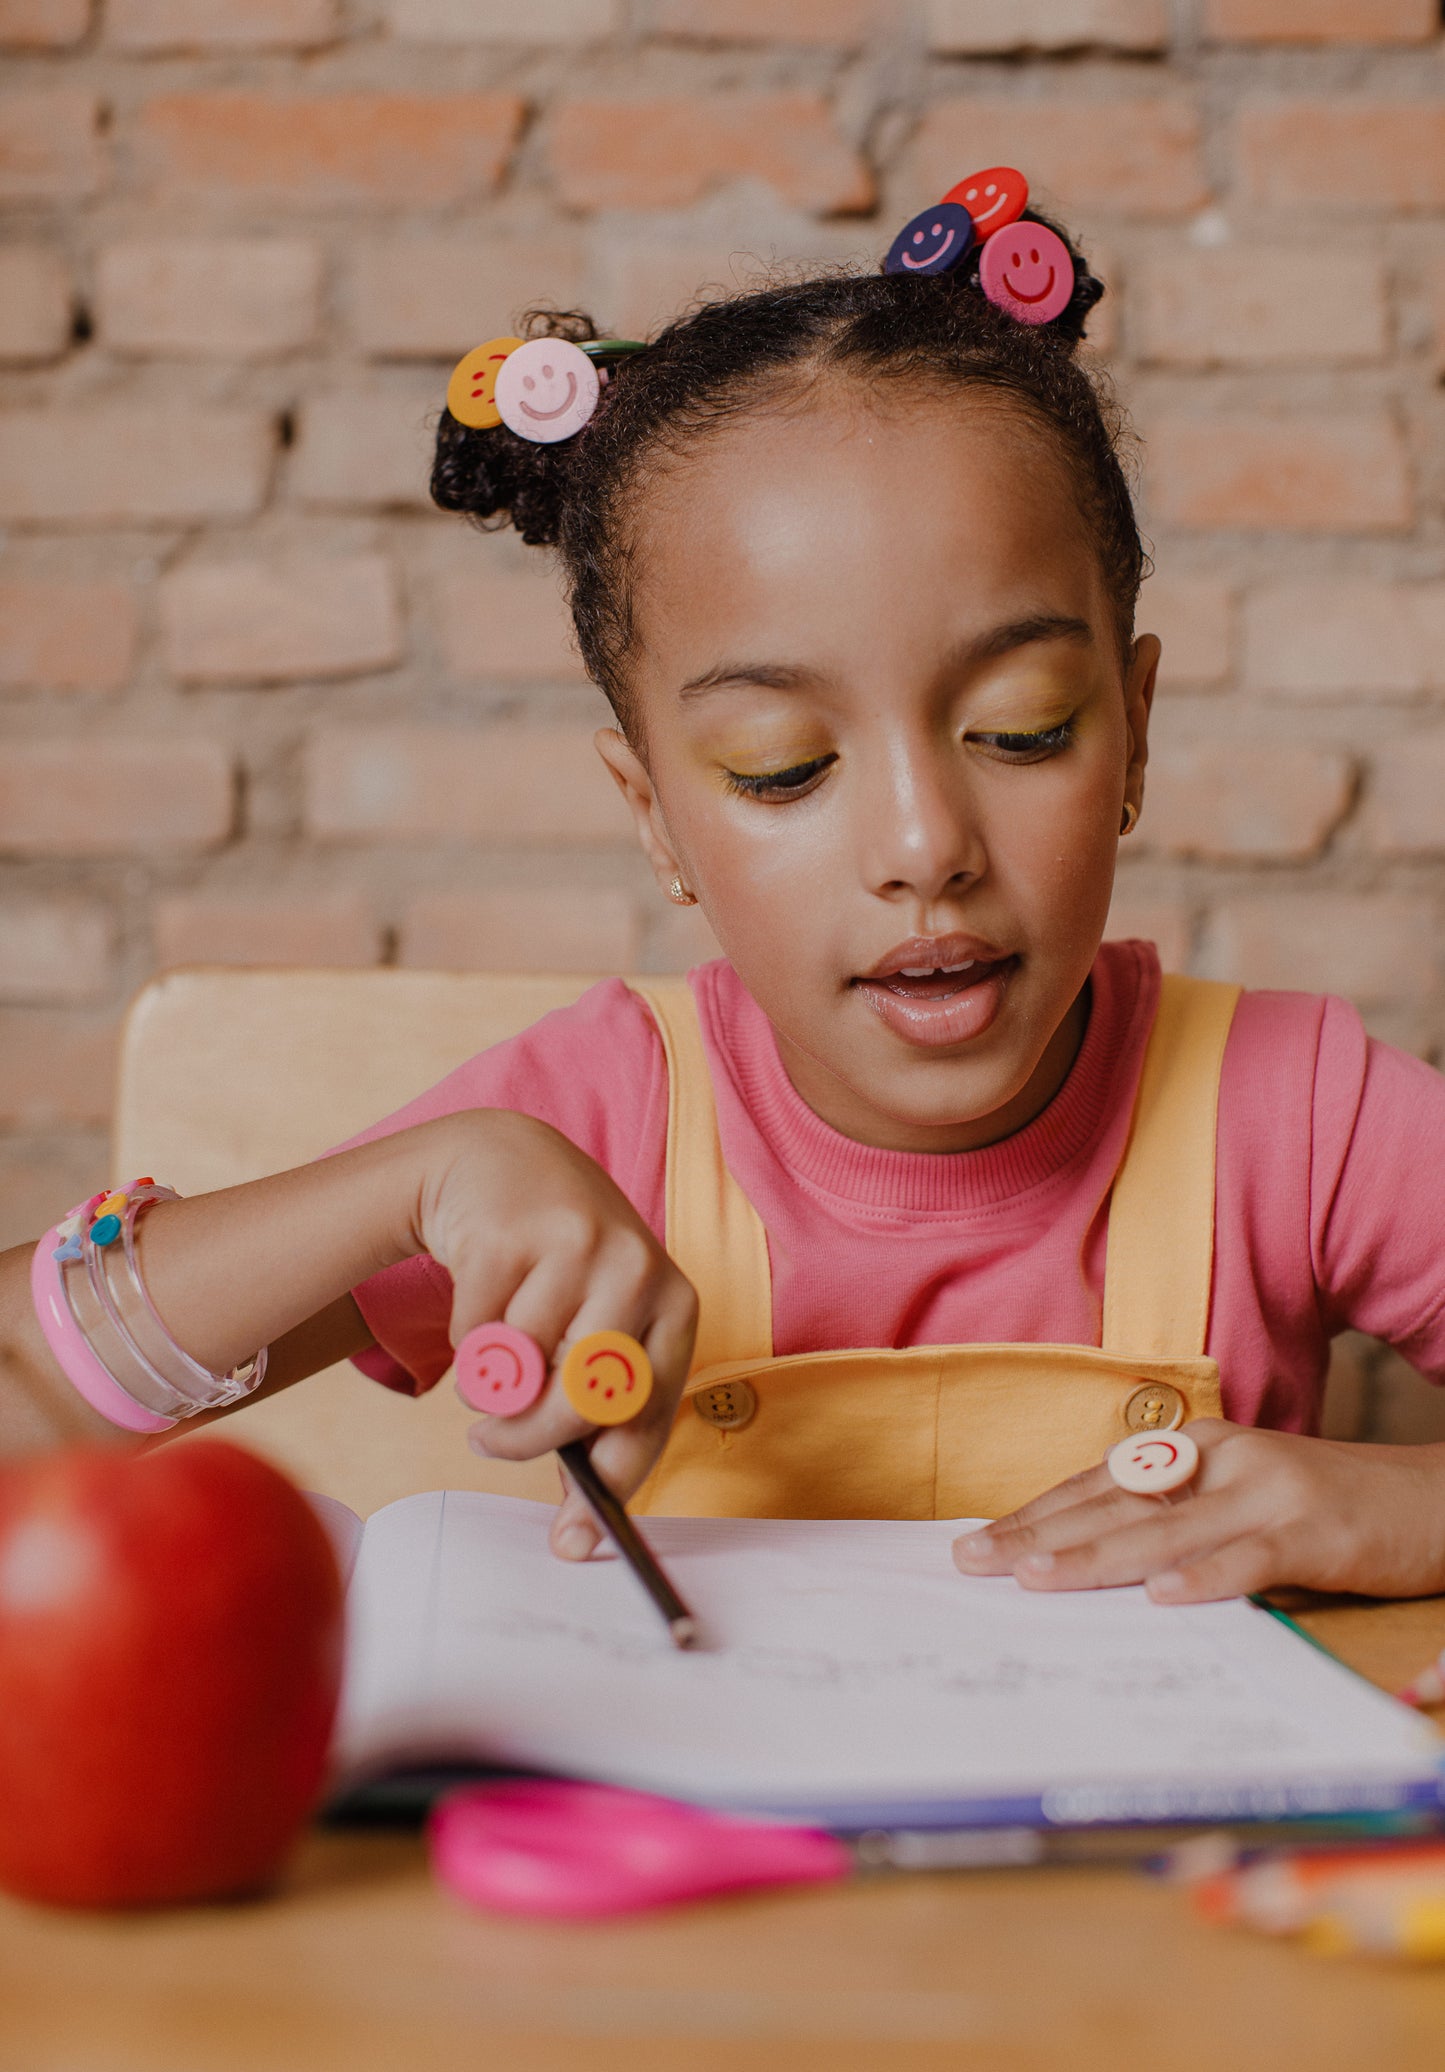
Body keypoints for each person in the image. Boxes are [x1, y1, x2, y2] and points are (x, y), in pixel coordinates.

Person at [3, 196, 1444, 1608]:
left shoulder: (1291, 1116)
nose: (921, 842)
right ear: (657, 819)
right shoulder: (599, 1117)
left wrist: (1392, 1499)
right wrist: (409, 1187)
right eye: (783, 767)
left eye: (1018, 728)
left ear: (1131, 730)